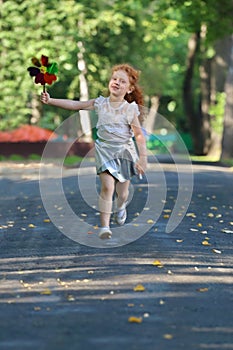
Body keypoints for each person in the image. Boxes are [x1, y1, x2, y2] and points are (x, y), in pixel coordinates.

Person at [40, 63, 147, 239]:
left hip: (125, 153)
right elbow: (75, 105)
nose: (117, 83)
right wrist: (51, 100)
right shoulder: (100, 103)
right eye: (114, 79)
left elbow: (139, 135)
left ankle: (121, 207)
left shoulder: (129, 109)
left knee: (123, 193)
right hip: (104, 151)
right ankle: (105, 227)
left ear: (129, 89)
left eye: (122, 81)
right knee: (107, 187)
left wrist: (142, 158)